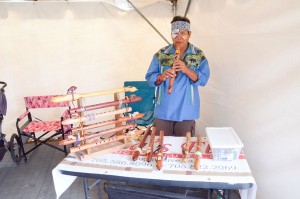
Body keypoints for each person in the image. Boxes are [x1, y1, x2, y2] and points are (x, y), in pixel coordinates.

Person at [145, 16, 210, 136]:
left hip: (187, 110)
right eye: (175, 33)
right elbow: (149, 77)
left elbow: (204, 80)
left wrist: (186, 70)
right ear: (171, 34)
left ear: (189, 34)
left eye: (183, 33)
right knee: (160, 147)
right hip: (164, 109)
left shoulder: (198, 55)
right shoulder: (161, 54)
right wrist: (161, 77)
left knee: (183, 148)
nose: (179, 37)